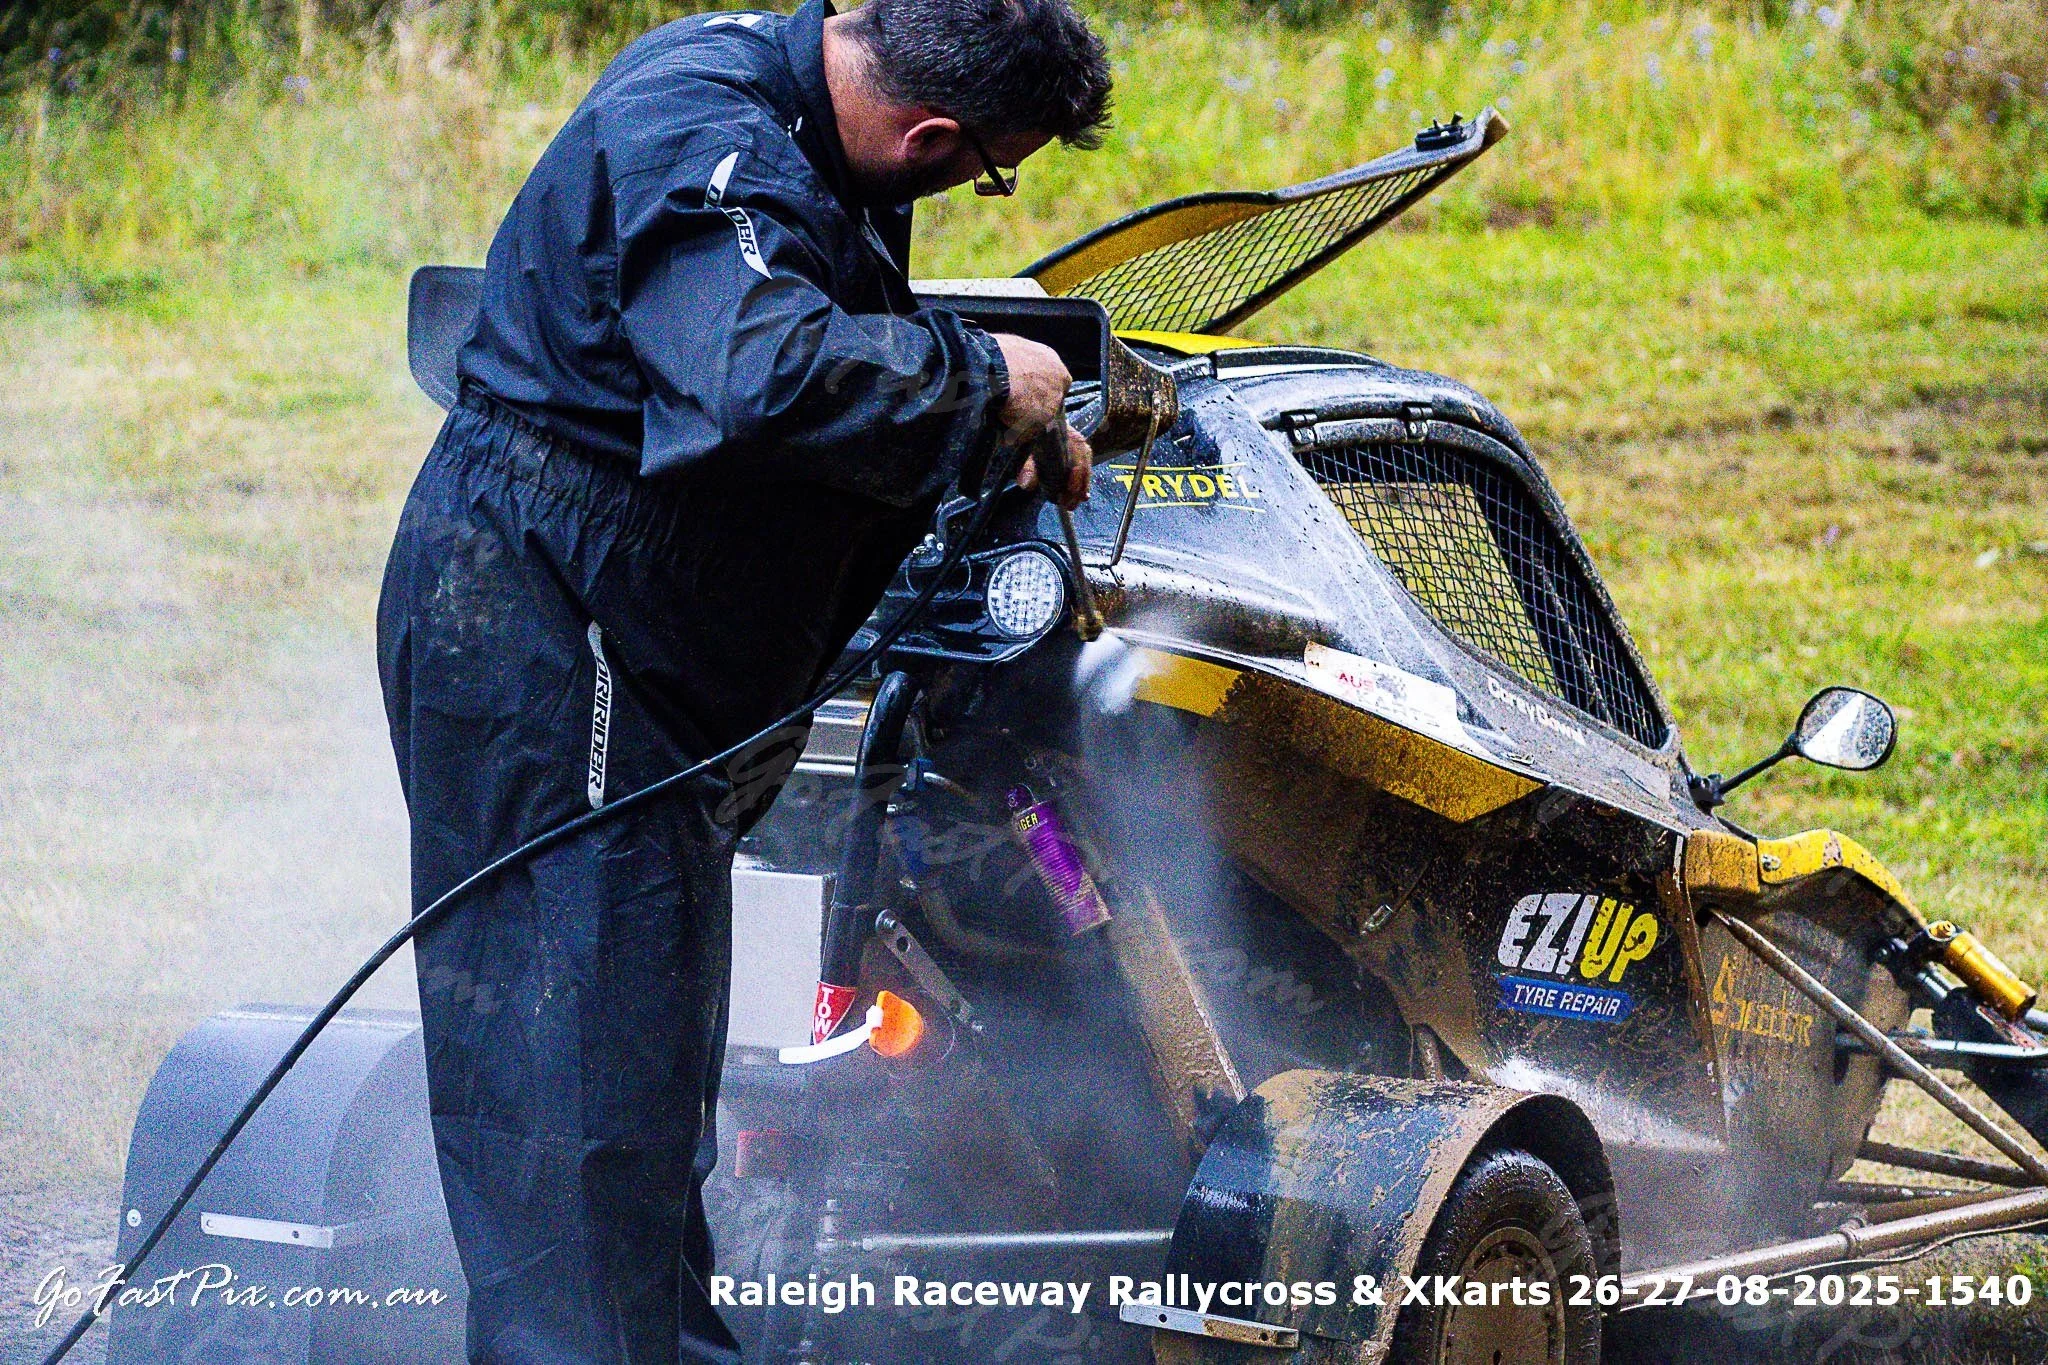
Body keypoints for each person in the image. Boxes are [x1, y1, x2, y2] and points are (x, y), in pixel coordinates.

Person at [374, 0, 1112, 1359]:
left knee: (640, 1085)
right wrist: (973, 382)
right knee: (579, 1099)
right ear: (935, 134)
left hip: (622, 631)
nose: (979, 189)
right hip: (553, 621)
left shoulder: (824, 132)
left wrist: (978, 437)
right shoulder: (702, 123)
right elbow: (753, 376)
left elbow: (809, 341)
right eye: (989, 169)